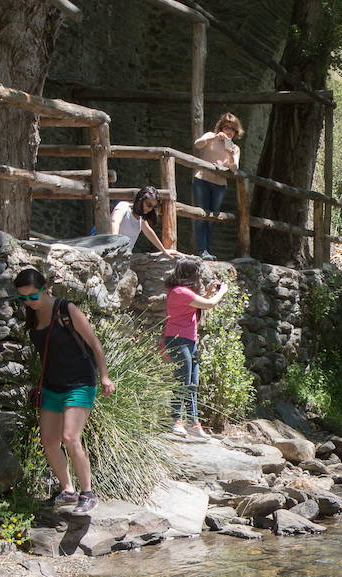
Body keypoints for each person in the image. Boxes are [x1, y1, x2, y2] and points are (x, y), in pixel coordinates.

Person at [15, 268, 116, 514]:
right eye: (23, 298)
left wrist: (104, 376)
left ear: (45, 288)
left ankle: (88, 493)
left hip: (80, 383)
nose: (30, 302)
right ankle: (67, 490)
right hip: (52, 385)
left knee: (70, 438)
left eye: (33, 296)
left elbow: (94, 343)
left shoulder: (66, 310)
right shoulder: (33, 316)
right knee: (49, 441)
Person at [164, 257, 228, 441]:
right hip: (179, 341)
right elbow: (208, 305)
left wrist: (207, 293)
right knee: (182, 383)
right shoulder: (179, 292)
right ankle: (176, 422)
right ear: (191, 274)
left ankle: (194, 424)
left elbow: (200, 303)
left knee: (192, 383)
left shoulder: (182, 292)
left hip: (189, 342)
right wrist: (221, 292)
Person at [191, 112, 243, 260]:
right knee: (201, 215)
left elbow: (234, 168)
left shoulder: (234, 148)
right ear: (221, 127)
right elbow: (198, 144)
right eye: (226, 127)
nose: (229, 131)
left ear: (236, 132)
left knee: (212, 217)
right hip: (202, 180)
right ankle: (202, 250)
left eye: (232, 129)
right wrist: (215, 137)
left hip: (219, 185)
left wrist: (231, 154)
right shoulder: (210, 136)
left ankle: (207, 249)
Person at [109, 185, 178, 256]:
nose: (150, 209)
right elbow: (115, 222)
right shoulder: (123, 206)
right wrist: (114, 245)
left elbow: (149, 232)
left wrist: (163, 250)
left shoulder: (141, 217)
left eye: (153, 207)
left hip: (125, 257)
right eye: (148, 204)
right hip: (111, 253)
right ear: (140, 199)